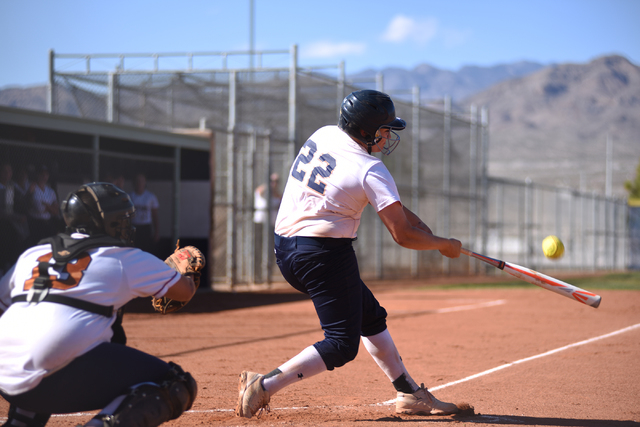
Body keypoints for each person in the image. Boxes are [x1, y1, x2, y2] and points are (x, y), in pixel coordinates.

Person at [236, 90, 471, 418]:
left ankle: (409, 393)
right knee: (341, 344)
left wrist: (425, 230)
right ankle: (262, 386)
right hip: (322, 255)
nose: (388, 135)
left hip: (287, 248)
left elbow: (397, 212)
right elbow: (402, 234)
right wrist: (444, 245)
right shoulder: (369, 168)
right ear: (366, 132)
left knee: (370, 316)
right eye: (384, 129)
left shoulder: (325, 134)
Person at [0, 182, 197, 427]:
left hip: (4, 373)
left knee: (47, 347)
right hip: (48, 374)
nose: (128, 224)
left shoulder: (34, 253)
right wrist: (188, 273)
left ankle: (20, 423)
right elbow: (184, 292)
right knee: (176, 384)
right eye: (123, 218)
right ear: (107, 222)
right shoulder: (124, 257)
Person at [0, 163, 29, 274]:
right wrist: (16, 217)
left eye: (10, 171)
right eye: (5, 171)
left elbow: (8, 209)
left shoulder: (10, 187)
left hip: (8, 225)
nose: (8, 173)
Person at [253, 173, 282, 282]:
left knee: (271, 250)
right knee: (258, 249)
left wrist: (275, 189)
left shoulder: (277, 194)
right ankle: (257, 274)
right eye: (272, 181)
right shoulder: (262, 191)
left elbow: (281, 198)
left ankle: (268, 273)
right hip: (260, 224)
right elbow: (261, 191)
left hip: (272, 226)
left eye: (277, 181)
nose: (274, 183)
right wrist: (269, 184)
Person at [25, 165, 60, 247]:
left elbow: (56, 211)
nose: (44, 177)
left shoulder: (50, 191)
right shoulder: (32, 187)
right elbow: (37, 208)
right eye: (42, 174)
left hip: (47, 223)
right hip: (35, 223)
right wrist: (49, 207)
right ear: (38, 175)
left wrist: (46, 206)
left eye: (46, 175)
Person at [130, 172, 160, 255]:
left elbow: (155, 215)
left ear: (145, 182)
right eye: (138, 181)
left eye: (141, 181)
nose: (139, 183)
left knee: (146, 251)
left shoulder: (150, 197)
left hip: (146, 228)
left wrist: (156, 232)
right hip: (134, 228)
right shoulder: (130, 196)